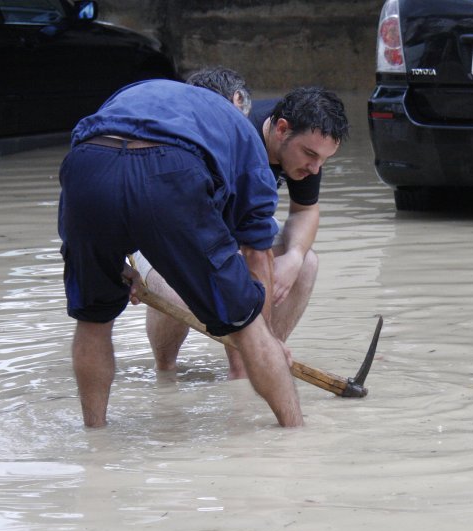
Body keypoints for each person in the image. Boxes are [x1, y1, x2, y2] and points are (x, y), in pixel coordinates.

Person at [58, 78, 303, 427]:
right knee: (248, 325)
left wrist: (112, 260)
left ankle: (95, 438)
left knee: (93, 318)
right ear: (236, 100)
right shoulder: (240, 127)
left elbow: (100, 168)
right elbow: (257, 252)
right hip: (169, 172)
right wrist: (262, 332)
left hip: (88, 165)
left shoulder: (138, 91)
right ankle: (296, 435)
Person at [134, 70, 349, 379]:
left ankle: (256, 365)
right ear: (281, 130)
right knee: (177, 291)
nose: (315, 168)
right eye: (310, 155)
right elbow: (215, 243)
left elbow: (305, 211)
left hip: (236, 227)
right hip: (169, 227)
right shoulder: (227, 132)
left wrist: (294, 257)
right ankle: (166, 372)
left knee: (306, 264)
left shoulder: (304, 143)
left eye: (323, 160)